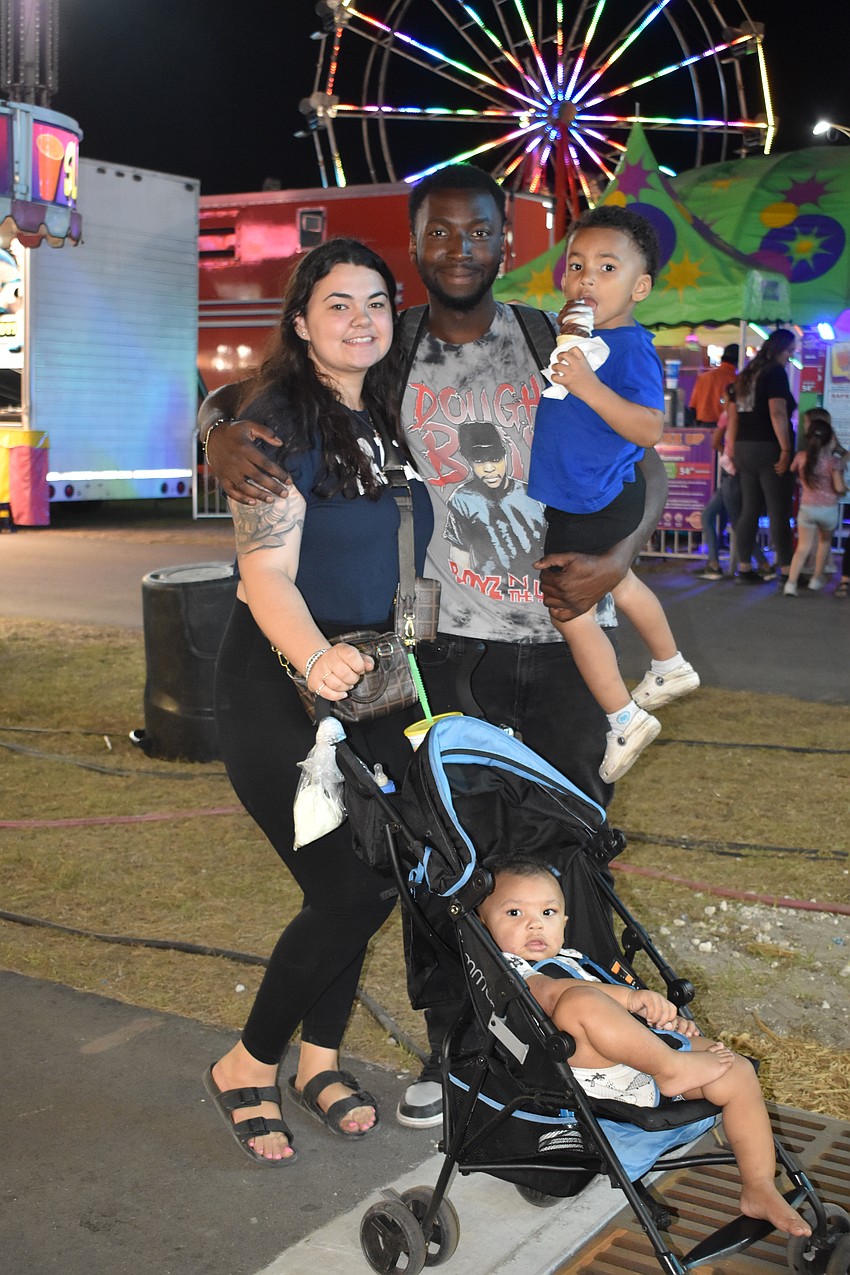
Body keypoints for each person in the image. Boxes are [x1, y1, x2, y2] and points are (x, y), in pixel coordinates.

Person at [199, 164, 668, 1130]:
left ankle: (583, 1061)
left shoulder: (552, 334)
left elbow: (643, 452)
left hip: (560, 640)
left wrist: (617, 553)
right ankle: (467, 1063)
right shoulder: (394, 353)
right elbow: (258, 417)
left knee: (561, 856)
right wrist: (217, 432)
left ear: (508, 241)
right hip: (445, 653)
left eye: (481, 232)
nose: (462, 248)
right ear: (417, 248)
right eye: (440, 235)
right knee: (449, 869)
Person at [203, 238, 434, 1164]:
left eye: (376, 303)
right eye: (338, 304)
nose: (361, 320)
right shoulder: (274, 420)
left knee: (376, 879)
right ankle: (246, 1063)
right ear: (300, 321)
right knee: (343, 886)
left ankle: (320, 1056)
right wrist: (313, 658)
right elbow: (267, 576)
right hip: (279, 679)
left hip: (375, 676)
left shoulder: (384, 409)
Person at [477, 857, 811, 1238]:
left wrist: (662, 1019)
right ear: (485, 927)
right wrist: (630, 999)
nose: (534, 923)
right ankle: (672, 1068)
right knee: (578, 1001)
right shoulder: (511, 970)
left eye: (548, 912)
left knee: (738, 1071)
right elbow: (551, 996)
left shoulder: (574, 961)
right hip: (587, 1072)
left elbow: (627, 1020)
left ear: (564, 923)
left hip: (641, 1065)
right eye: (515, 912)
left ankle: (759, 1185)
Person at [528, 206, 699, 783]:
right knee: (621, 583)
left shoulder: (629, 347)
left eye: (606, 267)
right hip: (583, 496)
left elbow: (650, 428)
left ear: (640, 286)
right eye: (576, 265)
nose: (587, 279)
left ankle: (623, 716)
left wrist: (588, 385)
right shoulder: (586, 337)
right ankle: (670, 663)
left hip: (591, 499)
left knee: (568, 608)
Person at [726, 329, 797, 585]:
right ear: (780, 349)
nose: (792, 355)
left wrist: (732, 449)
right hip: (769, 447)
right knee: (779, 510)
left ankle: (744, 567)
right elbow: (777, 411)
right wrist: (786, 449)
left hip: (745, 448)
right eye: (790, 351)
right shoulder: (774, 372)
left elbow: (733, 416)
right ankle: (787, 570)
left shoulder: (746, 374)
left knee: (750, 509)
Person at [696, 402, 773, 582]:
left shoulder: (729, 419)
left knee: (736, 524)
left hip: (731, 475)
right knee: (726, 520)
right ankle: (718, 563)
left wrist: (727, 457)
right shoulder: (752, 422)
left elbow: (716, 442)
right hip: (739, 475)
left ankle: (760, 564)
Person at [784, 409, 847, 596]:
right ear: (831, 439)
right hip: (828, 510)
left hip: (807, 508)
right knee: (824, 542)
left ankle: (791, 583)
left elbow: (792, 469)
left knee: (802, 547)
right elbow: (839, 488)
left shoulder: (802, 457)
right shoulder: (833, 462)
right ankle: (816, 579)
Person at [688, 343, 739, 428]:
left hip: (702, 425)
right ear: (738, 360)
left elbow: (692, 407)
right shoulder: (736, 380)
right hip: (724, 426)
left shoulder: (703, 378)